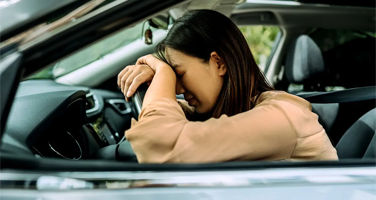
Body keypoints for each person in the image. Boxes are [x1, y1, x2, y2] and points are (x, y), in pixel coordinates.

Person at [117, 9, 338, 163]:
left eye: (179, 74)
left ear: (219, 63)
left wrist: (162, 72)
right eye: (174, 77)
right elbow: (166, 116)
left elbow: (162, 147)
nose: (178, 88)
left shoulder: (284, 117)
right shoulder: (234, 109)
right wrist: (157, 75)